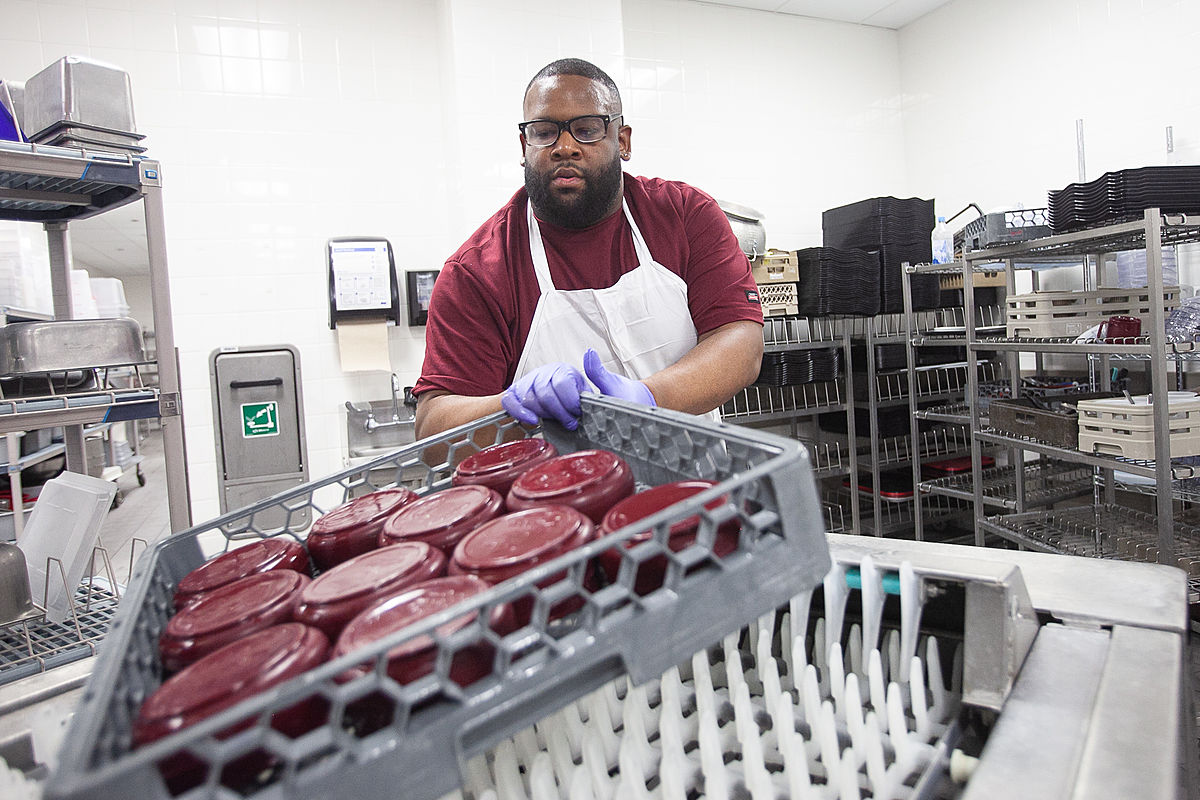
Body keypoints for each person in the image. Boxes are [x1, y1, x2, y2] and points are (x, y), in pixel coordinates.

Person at [413, 58, 763, 438]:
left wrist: (649, 398)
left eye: (587, 129)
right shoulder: (478, 271)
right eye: (545, 132)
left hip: (696, 485)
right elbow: (433, 429)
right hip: (559, 492)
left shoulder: (684, 215)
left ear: (623, 141)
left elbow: (740, 341)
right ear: (524, 146)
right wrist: (511, 408)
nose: (565, 147)